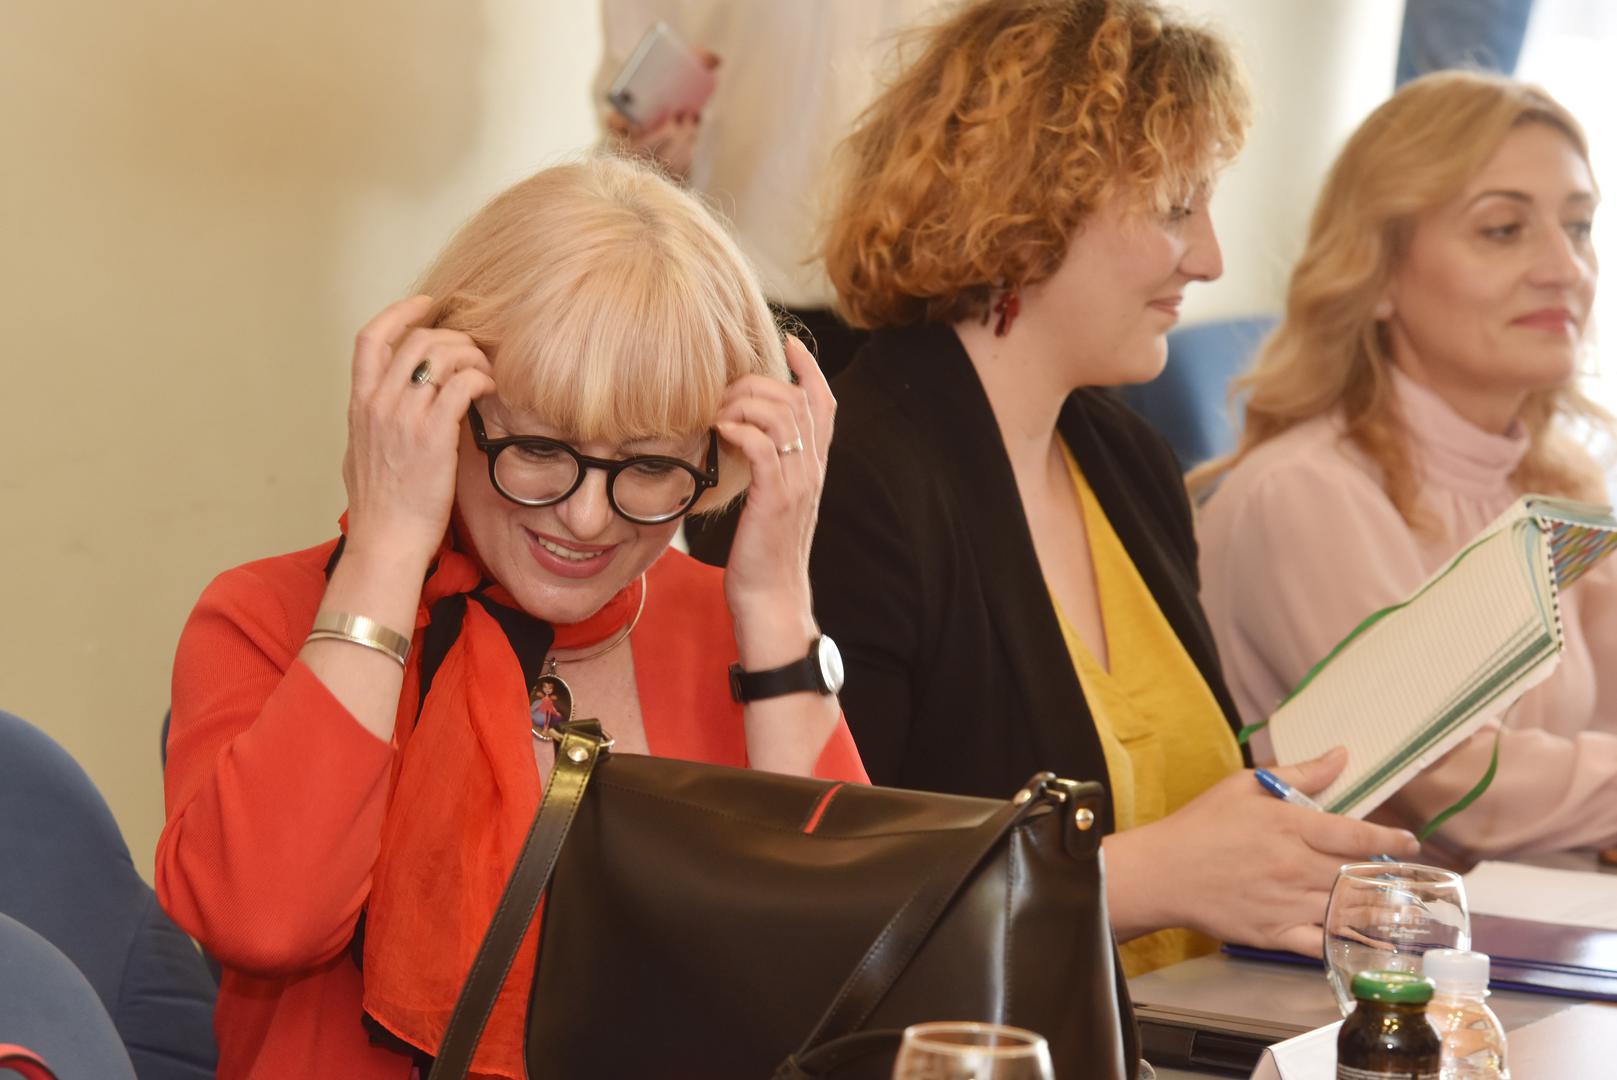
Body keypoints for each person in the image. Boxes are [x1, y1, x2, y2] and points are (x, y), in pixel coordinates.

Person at [157, 156, 865, 1080]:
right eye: (536, 448)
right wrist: (385, 553)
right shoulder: (271, 617)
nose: (587, 517)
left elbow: (851, 983)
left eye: (651, 466)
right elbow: (265, 920)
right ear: (444, 407)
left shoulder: (730, 628)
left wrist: (775, 606)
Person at [808, 0, 1420, 978]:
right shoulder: (854, 483)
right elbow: (832, 906)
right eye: (1178, 209)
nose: (1210, 259)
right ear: (1030, 208)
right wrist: (1147, 877)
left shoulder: (1127, 459)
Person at [1195, 71, 1616, 861]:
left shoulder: (1555, 485)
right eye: (1503, 230)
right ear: (1378, 273)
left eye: (1579, 225)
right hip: (1345, 939)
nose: (1565, 267)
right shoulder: (1305, 493)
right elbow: (1461, 788)